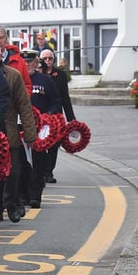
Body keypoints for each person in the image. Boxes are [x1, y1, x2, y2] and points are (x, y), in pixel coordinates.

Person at [0, 42, 37, 224]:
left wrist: (30, 134)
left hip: (9, 131)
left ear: (1, 55)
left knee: (13, 172)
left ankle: (11, 205)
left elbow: (24, 105)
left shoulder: (13, 75)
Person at [20, 49, 61, 208]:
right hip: (20, 126)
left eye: (30, 61)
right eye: (25, 62)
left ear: (36, 63)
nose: (28, 64)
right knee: (22, 163)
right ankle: (22, 195)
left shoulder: (45, 80)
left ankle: (35, 195)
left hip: (40, 129)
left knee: (38, 163)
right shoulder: (17, 79)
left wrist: (49, 116)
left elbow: (56, 101)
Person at [39, 49, 76, 184]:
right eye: (45, 59)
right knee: (41, 144)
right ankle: (41, 171)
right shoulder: (37, 74)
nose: (48, 61)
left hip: (55, 116)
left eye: (50, 58)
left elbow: (65, 98)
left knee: (54, 145)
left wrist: (71, 119)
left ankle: (49, 172)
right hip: (40, 116)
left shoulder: (60, 74)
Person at [0, 25, 32, 94]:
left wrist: (22, 101)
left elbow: (27, 85)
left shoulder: (19, 61)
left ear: (6, 39)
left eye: (1, 38)